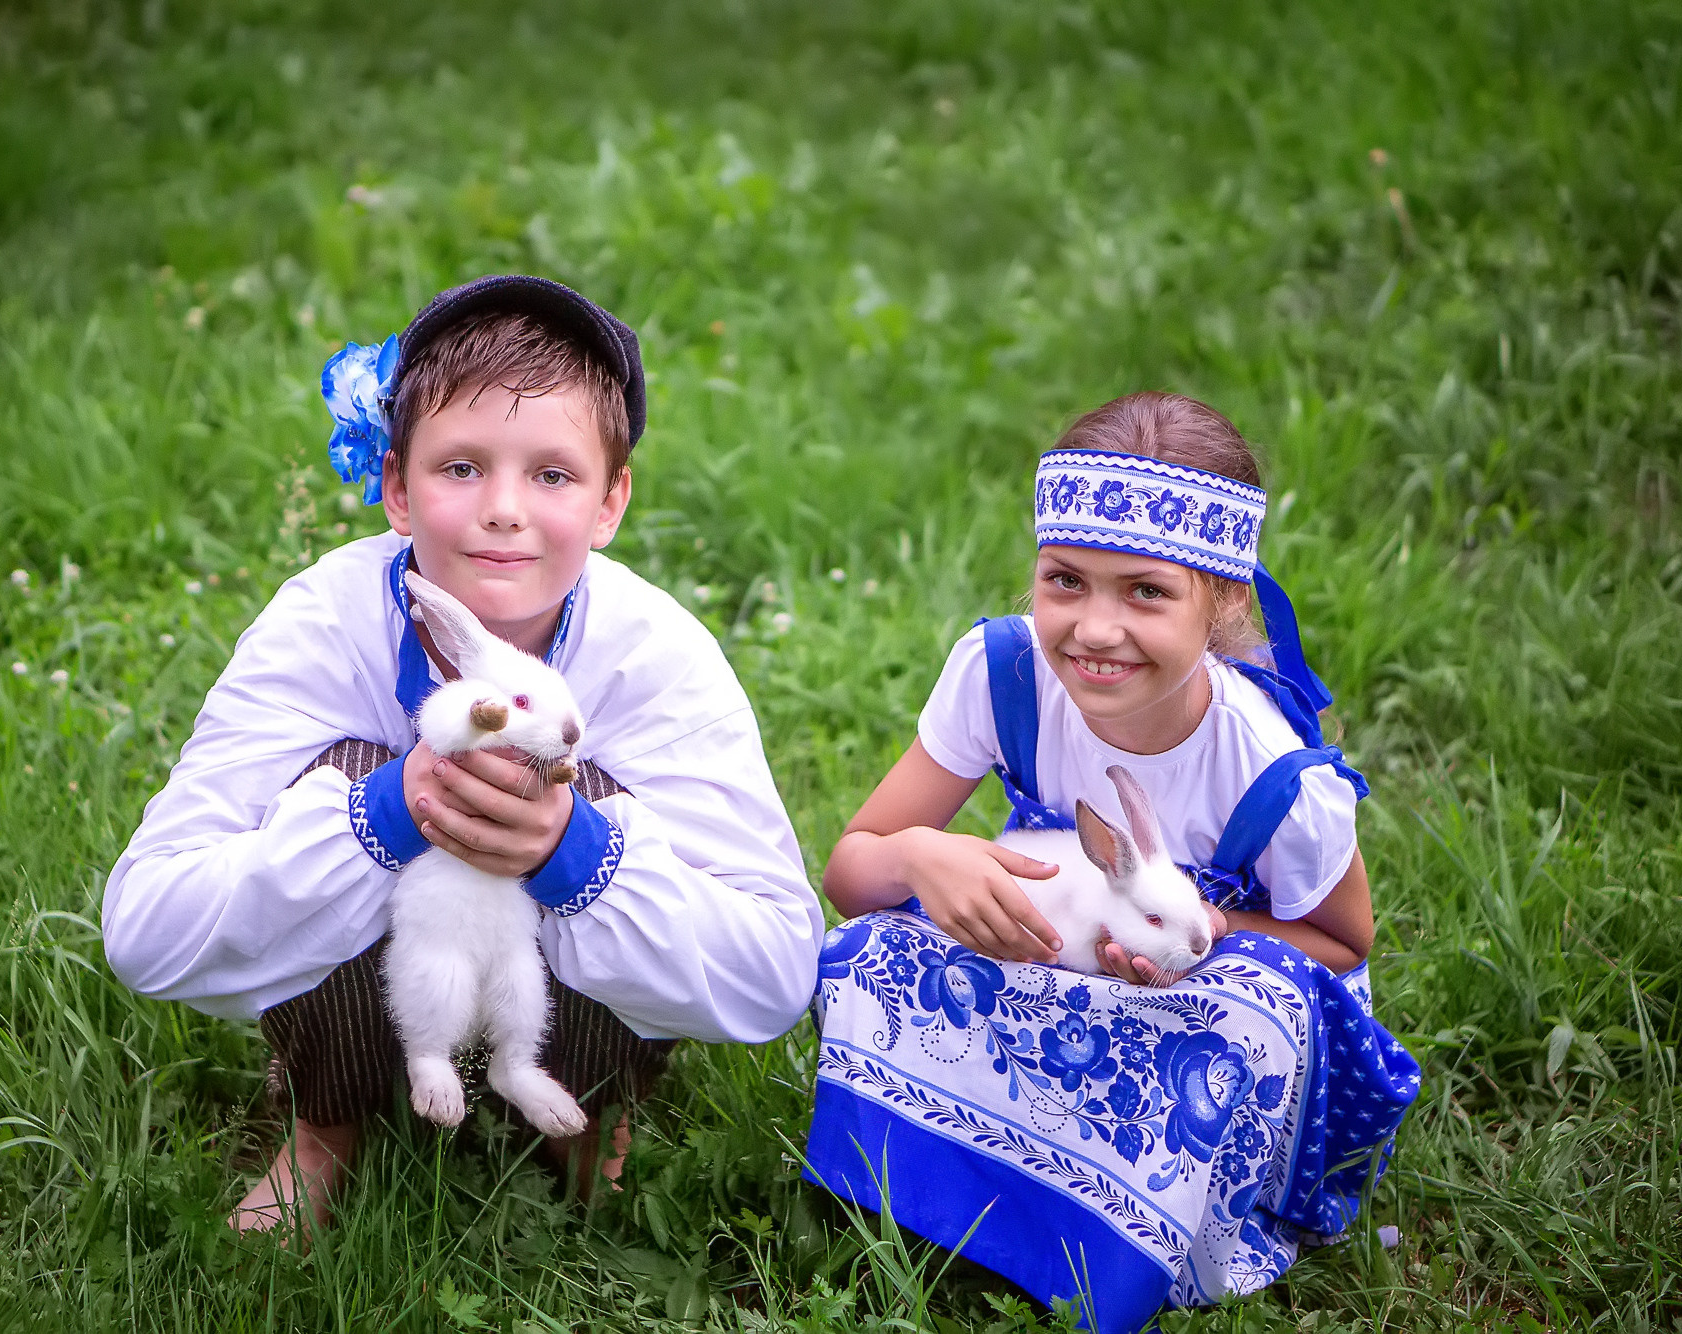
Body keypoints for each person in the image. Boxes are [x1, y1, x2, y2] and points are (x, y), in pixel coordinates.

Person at [102, 275, 822, 1231]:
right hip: (377, 985)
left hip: (563, 997)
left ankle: (588, 1102)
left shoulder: (660, 653)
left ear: (612, 503)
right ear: (397, 487)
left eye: (554, 475)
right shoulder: (323, 620)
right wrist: (391, 814)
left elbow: (776, 970)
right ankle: (327, 1120)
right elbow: (147, 927)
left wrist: (573, 852)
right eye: (462, 468)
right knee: (358, 774)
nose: (505, 510)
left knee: (579, 782)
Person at [804, 393, 1420, 1331]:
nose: (1094, 629)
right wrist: (927, 856)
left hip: (1203, 983)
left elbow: (1342, 943)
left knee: (1246, 1017)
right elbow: (852, 871)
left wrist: (1201, 935)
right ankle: (937, 1192)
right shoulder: (1004, 674)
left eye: (1145, 592)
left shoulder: (1273, 772)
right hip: (1066, 945)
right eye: (1065, 581)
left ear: (1220, 601)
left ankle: (1139, 1238)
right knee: (873, 950)